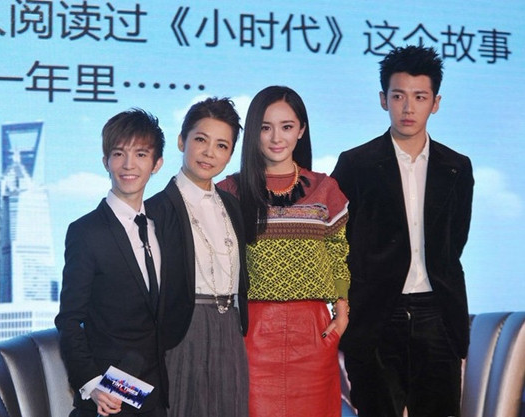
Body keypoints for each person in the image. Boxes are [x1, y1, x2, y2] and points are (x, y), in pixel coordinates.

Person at [331, 45, 474, 417]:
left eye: (420, 97)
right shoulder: (356, 164)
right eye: (398, 96)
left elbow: (454, 242)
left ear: (435, 103)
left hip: (437, 314)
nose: (408, 107)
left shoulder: (457, 167)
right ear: (383, 100)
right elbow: (335, 242)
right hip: (376, 315)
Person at [218, 85, 350, 417]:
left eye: (287, 126)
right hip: (252, 333)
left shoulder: (325, 188)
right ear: (253, 133)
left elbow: (339, 253)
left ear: (301, 130)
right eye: (266, 127)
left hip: (313, 334)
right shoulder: (229, 191)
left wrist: (342, 309)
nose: (277, 137)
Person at [55, 109, 168, 417]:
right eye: (119, 154)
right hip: (110, 397)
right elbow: (69, 320)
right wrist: (93, 385)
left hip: (159, 396)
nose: (128, 164)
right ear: (106, 161)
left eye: (140, 154)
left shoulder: (161, 227)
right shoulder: (86, 231)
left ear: (157, 163)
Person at [145, 97, 249, 417]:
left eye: (222, 145)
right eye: (201, 140)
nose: (209, 152)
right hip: (182, 331)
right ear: (181, 141)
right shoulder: (155, 210)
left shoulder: (233, 206)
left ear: (230, 154)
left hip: (229, 328)